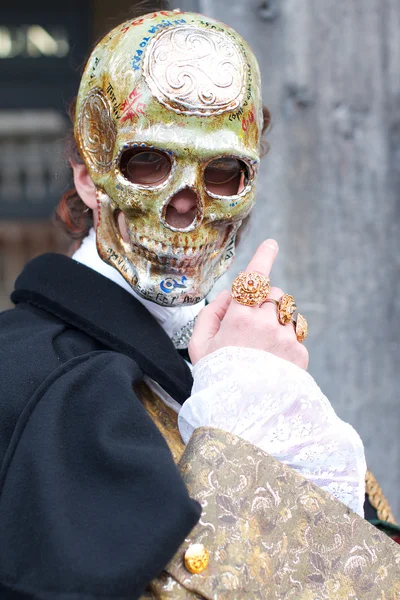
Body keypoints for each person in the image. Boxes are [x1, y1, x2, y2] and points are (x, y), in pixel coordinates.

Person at [0, 6, 399, 599]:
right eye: (149, 162)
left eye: (221, 173)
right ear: (89, 175)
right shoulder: (24, 375)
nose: (185, 204)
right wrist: (247, 406)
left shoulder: (237, 351)